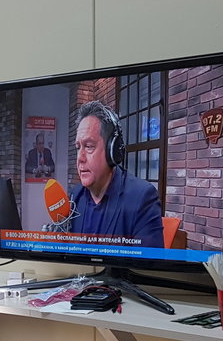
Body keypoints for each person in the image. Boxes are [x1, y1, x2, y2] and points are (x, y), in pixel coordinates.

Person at [67, 100, 164, 249]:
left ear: (112, 150)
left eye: (89, 146)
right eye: (78, 147)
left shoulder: (142, 198)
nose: (80, 157)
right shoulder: (75, 196)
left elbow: (149, 262)